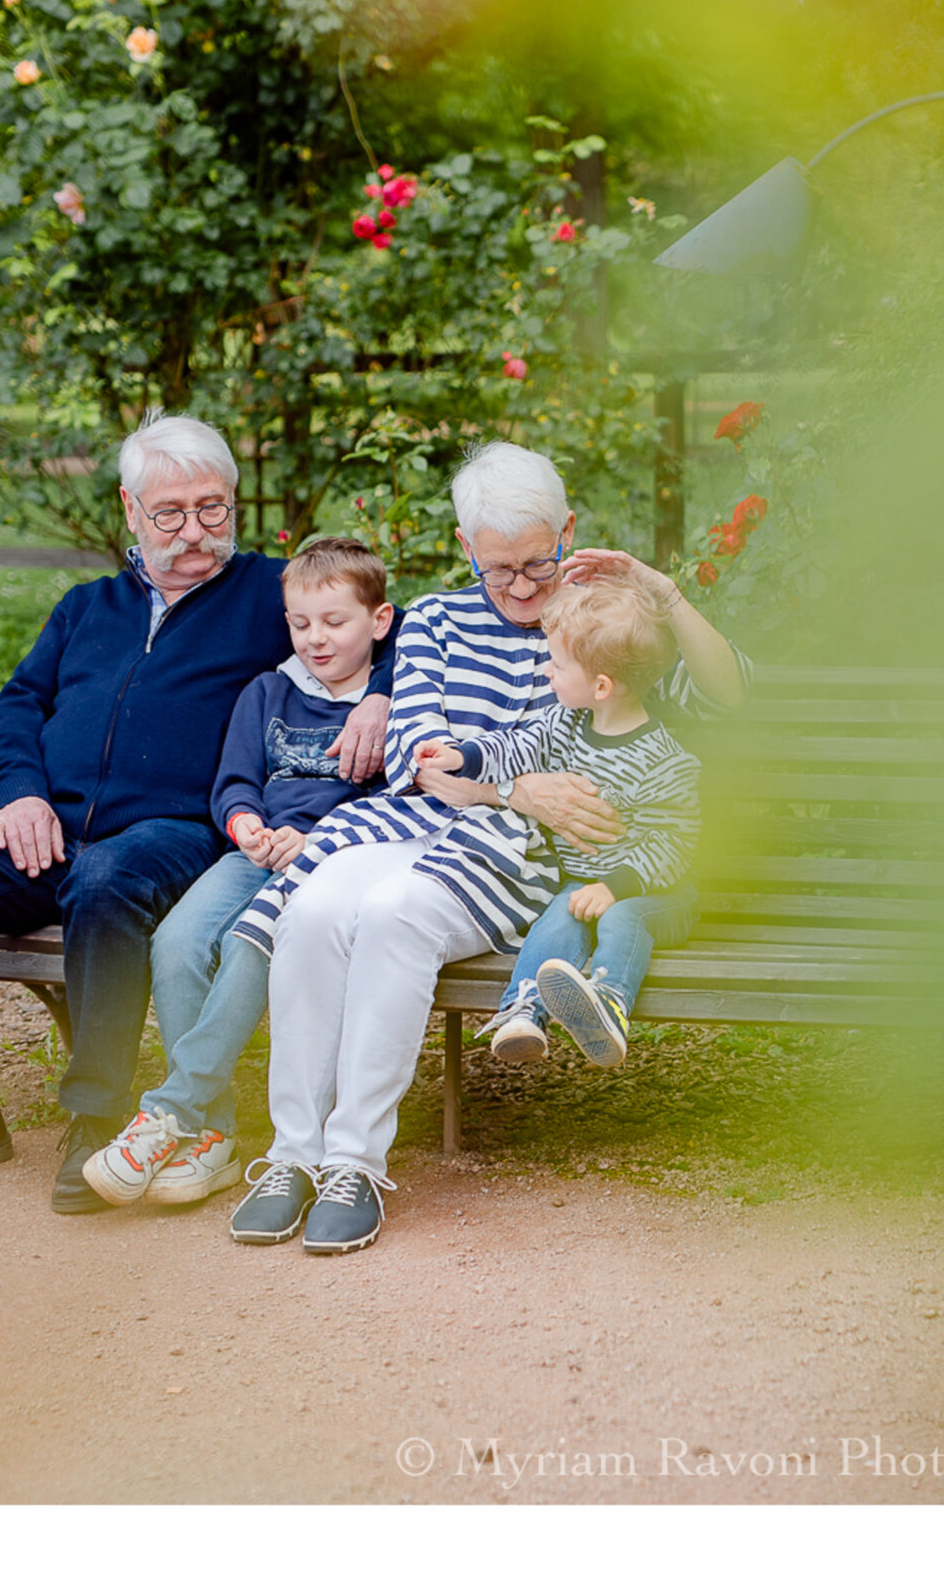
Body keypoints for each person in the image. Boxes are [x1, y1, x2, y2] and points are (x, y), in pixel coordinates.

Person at [221, 441, 748, 1255]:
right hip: (419, 825)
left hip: (518, 859)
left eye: (540, 561)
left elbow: (730, 696)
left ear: (568, 530)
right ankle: (292, 1154)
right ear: (467, 548)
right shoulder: (435, 619)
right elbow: (419, 759)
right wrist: (516, 785)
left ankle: (355, 1161)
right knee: (316, 903)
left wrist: (666, 596)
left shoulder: (604, 621)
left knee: (396, 916)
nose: (525, 588)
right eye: (500, 569)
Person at [0, 415, 392, 1209]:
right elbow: (17, 707)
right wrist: (21, 793)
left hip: (178, 828)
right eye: (170, 512)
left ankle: (98, 1119)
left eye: (213, 508)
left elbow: (391, 627)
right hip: (54, 821)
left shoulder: (265, 595)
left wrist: (378, 699)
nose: (195, 530)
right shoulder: (87, 606)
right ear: (130, 510)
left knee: (106, 883)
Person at [79, 537, 395, 1208]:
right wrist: (244, 821)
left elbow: (391, 802)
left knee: (250, 950)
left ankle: (172, 1111)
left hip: (331, 865)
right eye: (301, 622)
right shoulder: (268, 690)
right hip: (252, 853)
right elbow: (234, 780)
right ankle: (214, 1136)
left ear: (379, 620)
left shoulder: (390, 704)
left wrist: (311, 837)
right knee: (178, 941)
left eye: (334, 622)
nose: (316, 639)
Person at [416, 575, 701, 1069]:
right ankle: (524, 1010)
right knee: (561, 914)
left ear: (602, 685)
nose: (547, 671)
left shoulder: (665, 763)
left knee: (620, 916)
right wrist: (462, 755)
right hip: (583, 882)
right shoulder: (564, 725)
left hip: (658, 894)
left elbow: (673, 844)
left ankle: (609, 1003)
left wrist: (616, 886)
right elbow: (514, 746)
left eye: (558, 663)